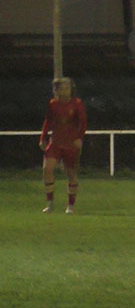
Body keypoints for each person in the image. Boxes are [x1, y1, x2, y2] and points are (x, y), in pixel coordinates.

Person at [39, 77, 86, 214]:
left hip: (70, 142)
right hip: (55, 141)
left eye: (68, 88)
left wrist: (79, 138)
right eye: (62, 88)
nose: (65, 91)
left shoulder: (77, 104)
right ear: (56, 90)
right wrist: (43, 138)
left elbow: (82, 123)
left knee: (71, 173)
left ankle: (70, 206)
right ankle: (50, 203)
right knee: (47, 169)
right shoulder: (53, 104)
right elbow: (48, 121)